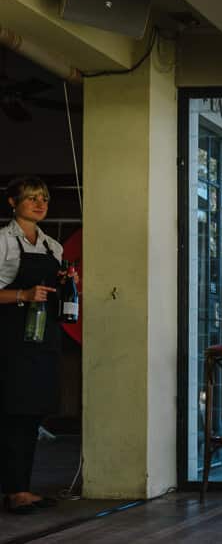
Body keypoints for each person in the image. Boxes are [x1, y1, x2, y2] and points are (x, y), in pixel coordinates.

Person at [0, 176, 69, 515]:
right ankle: (15, 491)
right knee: (12, 413)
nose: (40, 204)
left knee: (31, 414)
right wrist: (22, 295)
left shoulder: (52, 247)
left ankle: (21, 488)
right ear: (13, 203)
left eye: (44, 198)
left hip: (44, 337)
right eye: (31, 198)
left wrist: (66, 287)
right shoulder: (3, 241)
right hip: (11, 337)